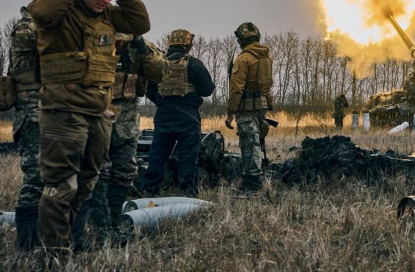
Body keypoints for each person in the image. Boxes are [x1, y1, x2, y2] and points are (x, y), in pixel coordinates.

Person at [28, 0, 150, 253]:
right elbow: (40, 12)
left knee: (86, 184)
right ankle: (54, 255)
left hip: (99, 113)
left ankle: (74, 243)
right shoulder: (62, 12)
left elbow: (140, 23)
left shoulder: (106, 16)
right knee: (61, 186)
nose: (107, 0)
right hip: (64, 112)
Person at [78, 33, 167, 246]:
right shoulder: (92, 38)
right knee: (99, 171)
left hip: (127, 118)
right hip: (96, 112)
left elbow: (162, 72)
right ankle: (101, 226)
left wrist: (142, 49)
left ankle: (114, 223)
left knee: (125, 170)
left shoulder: (140, 47)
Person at [141, 30, 214, 197]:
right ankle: (188, 192)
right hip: (188, 115)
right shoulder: (195, 64)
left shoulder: (159, 64)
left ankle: (150, 190)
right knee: (188, 154)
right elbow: (207, 90)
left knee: (158, 153)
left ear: (170, 43)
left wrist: (163, 102)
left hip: (164, 114)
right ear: (188, 44)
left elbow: (149, 91)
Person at [225, 22, 273, 192]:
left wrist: (231, 112)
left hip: (246, 107)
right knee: (255, 140)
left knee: (249, 142)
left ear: (241, 39)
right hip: (262, 106)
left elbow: (236, 89)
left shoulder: (244, 59)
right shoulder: (265, 58)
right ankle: (256, 176)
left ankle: (252, 183)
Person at [9, 3, 42, 251]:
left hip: (51, 113)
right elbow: (33, 36)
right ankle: (27, 244)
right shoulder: (24, 28)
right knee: (35, 177)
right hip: (32, 115)